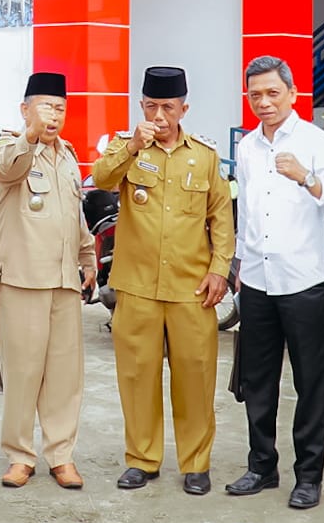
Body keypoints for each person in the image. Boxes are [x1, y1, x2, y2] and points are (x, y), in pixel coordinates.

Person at [92, 65, 234, 495]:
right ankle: (142, 459)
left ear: (183, 108)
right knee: (137, 377)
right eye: (151, 106)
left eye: (167, 107)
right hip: (136, 286)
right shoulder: (127, 148)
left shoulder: (205, 157)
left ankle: (196, 463)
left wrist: (220, 269)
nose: (159, 115)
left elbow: (221, 218)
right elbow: (101, 179)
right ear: (141, 106)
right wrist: (133, 146)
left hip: (192, 287)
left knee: (195, 376)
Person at [226, 56, 324, 510]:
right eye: (255, 94)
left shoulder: (315, 141)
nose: (264, 102)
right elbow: (246, 212)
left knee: (310, 380)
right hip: (258, 280)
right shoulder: (247, 148)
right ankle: (262, 465)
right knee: (258, 380)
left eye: (272, 93)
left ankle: (308, 475)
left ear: (292, 94)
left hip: (304, 280)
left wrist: (306, 177)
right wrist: (238, 264)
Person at [0, 72, 97, 490]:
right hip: (22, 279)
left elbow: (76, 215)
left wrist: (87, 258)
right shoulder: (8, 147)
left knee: (65, 376)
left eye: (61, 108)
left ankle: (61, 455)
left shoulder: (68, 156)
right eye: (47, 106)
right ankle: (19, 455)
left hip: (63, 280)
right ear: (25, 109)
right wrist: (30, 136)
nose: (55, 115)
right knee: (22, 373)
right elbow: (7, 168)